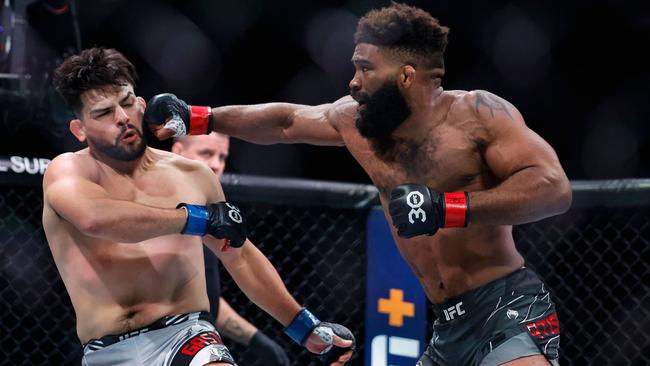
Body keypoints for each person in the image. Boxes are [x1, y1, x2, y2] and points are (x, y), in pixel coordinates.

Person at [145, 3, 572, 365]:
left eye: (366, 70)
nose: (352, 82)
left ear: (404, 76)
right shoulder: (355, 121)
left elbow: (553, 188)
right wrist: (201, 116)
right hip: (447, 324)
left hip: (506, 305)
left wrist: (448, 208)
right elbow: (287, 121)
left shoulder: (479, 114)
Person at [42, 47, 355, 366]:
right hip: (104, 352)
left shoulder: (192, 176)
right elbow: (96, 219)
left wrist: (305, 327)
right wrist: (195, 218)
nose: (122, 118)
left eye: (126, 103)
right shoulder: (68, 170)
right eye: (104, 113)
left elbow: (240, 256)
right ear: (79, 130)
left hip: (186, 335)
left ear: (141, 104)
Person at [172, 132, 290, 365]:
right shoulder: (161, 214)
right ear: (178, 152)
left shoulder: (210, 218)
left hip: (194, 342)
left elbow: (204, 299)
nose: (216, 165)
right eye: (206, 153)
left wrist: (256, 339)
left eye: (222, 157)